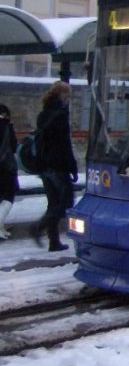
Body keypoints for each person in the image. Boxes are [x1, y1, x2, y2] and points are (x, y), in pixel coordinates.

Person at [30, 81, 78, 252]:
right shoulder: (61, 114)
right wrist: (73, 166)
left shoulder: (43, 114)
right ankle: (38, 227)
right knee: (66, 202)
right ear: (62, 95)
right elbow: (65, 143)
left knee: (53, 203)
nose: (68, 99)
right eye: (68, 96)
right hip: (58, 165)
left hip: (44, 166)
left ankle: (54, 242)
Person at [0, 104, 19, 239]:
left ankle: (1, 228)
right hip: (5, 167)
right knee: (8, 197)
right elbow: (13, 146)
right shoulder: (5, 126)